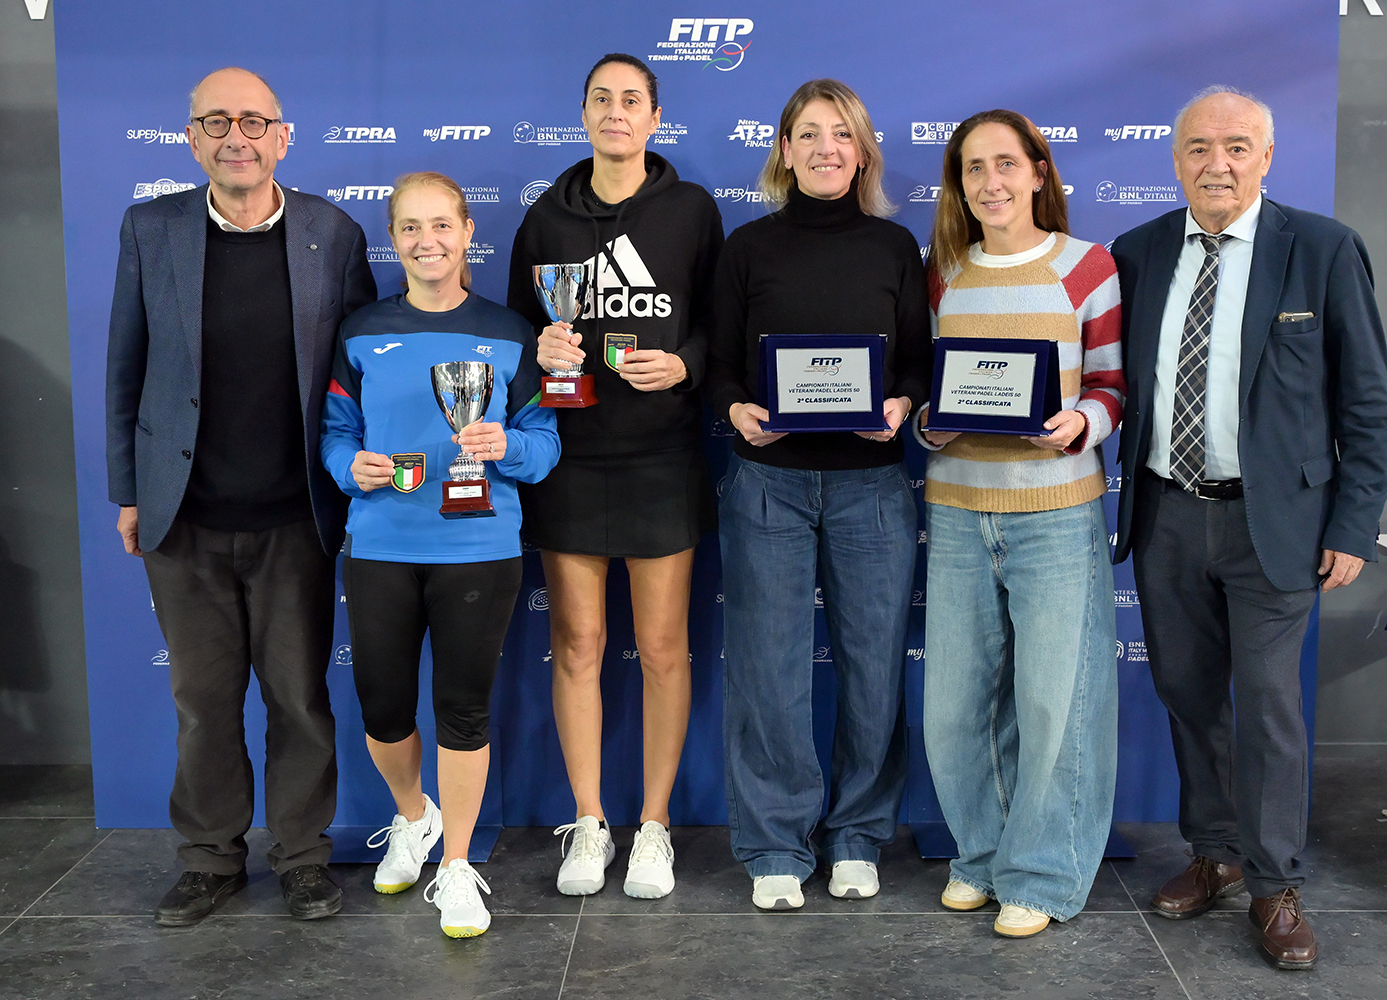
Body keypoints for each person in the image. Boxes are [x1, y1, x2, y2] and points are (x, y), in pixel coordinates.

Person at [1112, 86, 1387, 970]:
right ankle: (1217, 855)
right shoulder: (1139, 251)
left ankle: (1275, 887)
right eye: (1199, 148)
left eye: (1237, 147)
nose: (1218, 164)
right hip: (1164, 514)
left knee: (1268, 709)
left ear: (1267, 158)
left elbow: (1369, 407)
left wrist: (1352, 524)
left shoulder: (1321, 249)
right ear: (1175, 159)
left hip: (1275, 527)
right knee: (1190, 697)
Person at [105, 67, 377, 926]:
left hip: (295, 513)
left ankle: (301, 856)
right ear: (191, 139)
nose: (237, 137)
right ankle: (210, 858)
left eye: (254, 121)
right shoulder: (152, 229)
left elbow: (357, 373)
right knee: (202, 702)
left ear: (282, 137)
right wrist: (128, 492)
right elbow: (125, 368)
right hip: (181, 516)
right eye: (216, 122)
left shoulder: (332, 233)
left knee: (300, 697)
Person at [706, 78, 930, 911]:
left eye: (841, 133)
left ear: (862, 150)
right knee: (769, 670)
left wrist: (902, 404)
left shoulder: (894, 248)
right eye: (808, 133)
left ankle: (858, 836)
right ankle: (773, 844)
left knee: (874, 670)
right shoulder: (747, 248)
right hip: (769, 484)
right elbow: (721, 364)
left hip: (872, 488)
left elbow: (913, 361)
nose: (825, 148)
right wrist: (736, 410)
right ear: (785, 150)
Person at [505, 53, 723, 899]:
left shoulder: (692, 212)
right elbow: (518, 331)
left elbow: (718, 327)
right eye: (601, 99)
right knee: (578, 645)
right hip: (570, 458)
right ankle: (591, 823)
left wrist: (686, 366)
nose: (616, 113)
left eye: (632, 100)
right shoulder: (545, 220)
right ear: (584, 114)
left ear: (655, 118)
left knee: (665, 648)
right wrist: (542, 349)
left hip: (662, 457)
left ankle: (656, 827)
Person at [321, 173, 559, 937]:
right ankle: (413, 816)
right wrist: (344, 467)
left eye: (442, 226)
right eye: (411, 228)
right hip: (383, 544)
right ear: (395, 238)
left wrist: (507, 444)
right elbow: (334, 432)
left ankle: (457, 864)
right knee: (384, 709)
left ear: (466, 233)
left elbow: (546, 446)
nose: (428, 242)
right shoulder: (359, 330)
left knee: (463, 708)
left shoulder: (512, 331)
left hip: (479, 548)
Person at [916, 110, 1124, 938]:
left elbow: (1109, 385)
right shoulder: (946, 272)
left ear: (1040, 172)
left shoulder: (1088, 266)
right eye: (973, 168)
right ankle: (981, 857)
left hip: (1057, 514)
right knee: (956, 708)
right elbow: (934, 397)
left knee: (1055, 705)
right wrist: (930, 423)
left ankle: (1042, 873)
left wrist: (1084, 425)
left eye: (1006, 164)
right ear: (958, 184)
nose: (990, 182)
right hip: (960, 512)